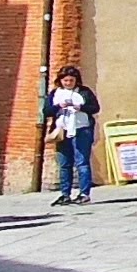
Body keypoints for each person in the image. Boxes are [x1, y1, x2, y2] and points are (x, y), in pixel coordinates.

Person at [45, 67, 100, 204]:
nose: (68, 83)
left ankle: (84, 193)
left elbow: (95, 108)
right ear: (60, 80)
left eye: (71, 80)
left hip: (81, 129)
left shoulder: (84, 92)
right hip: (62, 130)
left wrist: (80, 107)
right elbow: (46, 111)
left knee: (82, 162)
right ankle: (65, 194)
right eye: (65, 80)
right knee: (64, 163)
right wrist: (58, 106)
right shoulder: (55, 93)